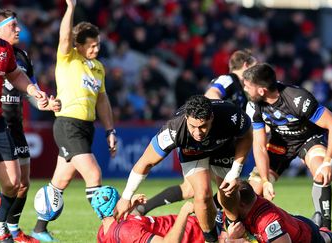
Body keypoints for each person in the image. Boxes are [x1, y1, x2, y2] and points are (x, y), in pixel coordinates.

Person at [31, 0, 117, 241]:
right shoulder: (68, 58)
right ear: (78, 46)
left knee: (60, 181)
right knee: (93, 174)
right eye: (90, 46)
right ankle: (111, 229)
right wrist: (70, 9)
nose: (95, 50)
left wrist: (111, 129)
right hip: (68, 124)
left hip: (86, 127)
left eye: (98, 45)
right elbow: (65, 37)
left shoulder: (98, 68)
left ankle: (39, 229)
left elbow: (102, 100)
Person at [114, 95, 252, 243]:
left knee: (228, 191)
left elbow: (247, 137)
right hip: (192, 152)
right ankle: (211, 240)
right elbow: (145, 163)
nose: (198, 133)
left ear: (211, 117)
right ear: (186, 118)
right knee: (202, 194)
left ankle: (235, 230)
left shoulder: (230, 115)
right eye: (193, 127)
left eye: (203, 126)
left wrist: (235, 172)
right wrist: (126, 197)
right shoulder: (173, 130)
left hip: (222, 147)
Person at [137, 49, 256, 216]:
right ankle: (215, 219)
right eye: (255, 66)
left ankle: (145, 209)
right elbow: (211, 94)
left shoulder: (243, 90)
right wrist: (218, 116)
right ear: (246, 65)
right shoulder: (228, 80)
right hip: (209, 138)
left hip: (218, 140)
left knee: (194, 189)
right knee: (227, 187)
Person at [242, 63, 332, 230]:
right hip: (279, 144)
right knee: (253, 191)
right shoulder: (253, 105)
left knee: (321, 174)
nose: (245, 90)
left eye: (248, 87)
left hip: (308, 140)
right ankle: (250, 232)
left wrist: (328, 161)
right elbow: (259, 146)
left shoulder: (298, 99)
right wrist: (266, 180)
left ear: (261, 90)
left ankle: (325, 229)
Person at [0, 9, 61, 243]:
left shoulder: (20, 56)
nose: (19, 30)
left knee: (21, 184)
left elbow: (27, 89)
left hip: (11, 126)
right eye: (13, 25)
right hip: (0, 123)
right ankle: (2, 228)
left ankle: (12, 229)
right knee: (13, 183)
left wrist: (45, 102)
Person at [92, 186, 253, 243]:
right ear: (115, 207)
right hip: (205, 232)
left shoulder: (103, 231)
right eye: (120, 199)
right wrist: (184, 211)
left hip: (198, 224)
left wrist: (132, 206)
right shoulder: (128, 230)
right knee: (242, 195)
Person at [225, 181, 332, 243]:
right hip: (290, 223)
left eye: (228, 204)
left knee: (322, 238)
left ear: (242, 204)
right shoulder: (244, 204)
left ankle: (329, 235)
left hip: (305, 236)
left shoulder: (268, 222)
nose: (225, 207)